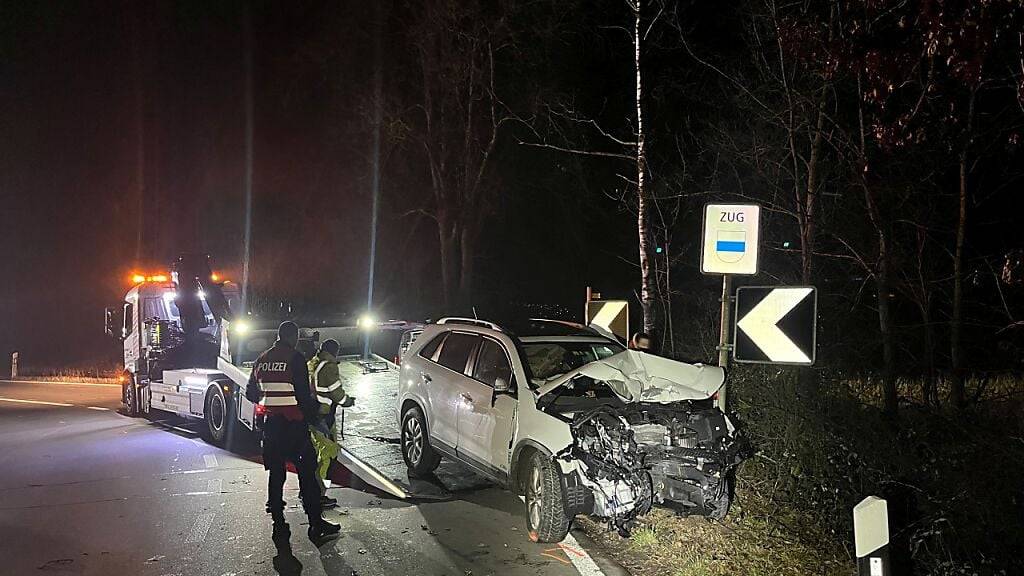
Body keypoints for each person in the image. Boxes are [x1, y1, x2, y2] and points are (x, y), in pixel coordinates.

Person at [246, 321, 340, 552]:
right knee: (307, 473)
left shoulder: (262, 359)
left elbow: (251, 392)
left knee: (276, 473)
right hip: (294, 426)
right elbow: (303, 396)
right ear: (294, 337)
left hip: (271, 426)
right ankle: (315, 525)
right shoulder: (295, 358)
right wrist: (314, 417)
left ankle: (278, 522)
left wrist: (269, 403)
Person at [306, 339, 354, 508]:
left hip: (314, 415)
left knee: (319, 451)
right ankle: (318, 494)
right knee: (328, 455)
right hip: (323, 416)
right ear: (335, 351)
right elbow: (337, 393)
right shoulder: (329, 366)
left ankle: (308, 491)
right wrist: (348, 401)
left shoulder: (313, 363)